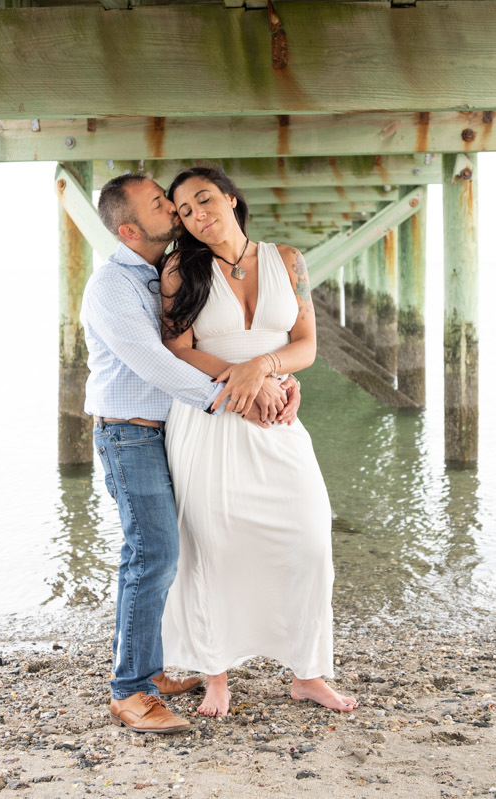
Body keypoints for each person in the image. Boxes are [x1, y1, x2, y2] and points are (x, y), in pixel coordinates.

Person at [81, 173, 303, 734]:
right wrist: (233, 400)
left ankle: (151, 671)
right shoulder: (112, 284)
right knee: (152, 552)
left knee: (186, 546)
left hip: (170, 428)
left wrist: (269, 376)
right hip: (130, 431)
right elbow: (155, 363)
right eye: (162, 204)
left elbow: (218, 344)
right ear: (131, 230)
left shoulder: (164, 273)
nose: (176, 211)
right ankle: (129, 691)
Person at [158, 165, 358, 717]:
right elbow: (177, 350)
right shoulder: (180, 269)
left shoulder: (288, 260)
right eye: (185, 211)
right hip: (212, 417)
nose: (199, 215)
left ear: (231, 197)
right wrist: (247, 379)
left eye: (205, 200)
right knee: (212, 546)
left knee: (310, 539)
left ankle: (308, 673)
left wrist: (264, 369)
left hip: (276, 418)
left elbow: (307, 344)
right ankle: (216, 673)